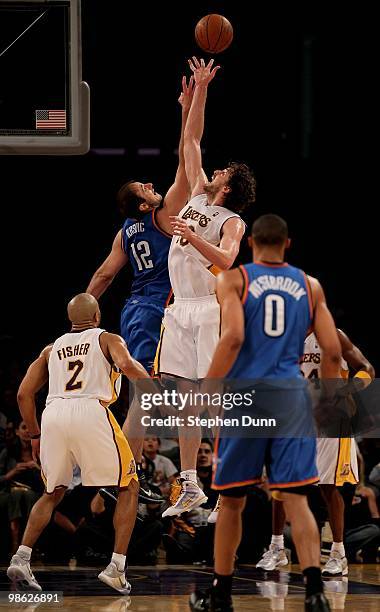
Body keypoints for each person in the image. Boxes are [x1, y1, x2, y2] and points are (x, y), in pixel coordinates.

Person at [190, 215, 341, 612]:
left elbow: (235, 337)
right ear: (287, 244)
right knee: (296, 499)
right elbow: (333, 351)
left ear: (252, 243)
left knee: (233, 501)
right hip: (292, 396)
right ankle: (314, 592)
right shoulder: (310, 286)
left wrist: (208, 390)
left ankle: (220, 595)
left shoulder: (235, 279)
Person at [86, 76, 195, 503]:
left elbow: (102, 277)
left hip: (134, 309)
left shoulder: (124, 232)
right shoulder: (163, 216)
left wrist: (85, 315)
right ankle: (123, 476)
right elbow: (187, 164)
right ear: (146, 205)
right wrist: (186, 111)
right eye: (145, 190)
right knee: (145, 398)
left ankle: (125, 474)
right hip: (154, 309)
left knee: (149, 394)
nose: (151, 186)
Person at [159, 58, 257, 517]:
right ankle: (191, 483)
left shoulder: (232, 221)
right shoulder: (198, 191)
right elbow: (191, 139)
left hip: (208, 310)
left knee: (211, 403)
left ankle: (229, 484)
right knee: (184, 401)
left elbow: (227, 262)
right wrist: (199, 91)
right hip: (178, 308)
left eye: (223, 173)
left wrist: (193, 236)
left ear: (230, 187)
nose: (213, 171)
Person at [7, 293, 153, 594]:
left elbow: (24, 394)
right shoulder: (108, 338)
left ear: (70, 320)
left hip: (54, 413)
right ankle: (116, 567)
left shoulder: (50, 349)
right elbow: (126, 364)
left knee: (52, 491)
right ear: (97, 316)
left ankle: (22, 557)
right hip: (90, 410)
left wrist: (35, 434)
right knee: (129, 485)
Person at [257, 330, 374, 575]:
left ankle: (338, 553)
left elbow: (367, 369)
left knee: (329, 487)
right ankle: (277, 548)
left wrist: (348, 389)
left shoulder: (333, 335)